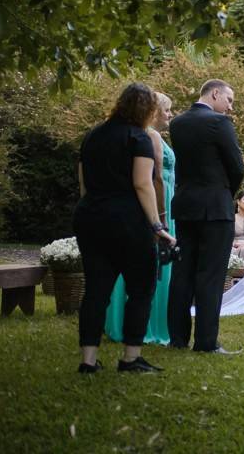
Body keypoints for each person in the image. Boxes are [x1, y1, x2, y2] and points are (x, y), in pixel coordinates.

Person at [73, 83, 175, 374]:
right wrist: (157, 225)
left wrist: (94, 210)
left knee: (95, 290)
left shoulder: (92, 136)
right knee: (141, 289)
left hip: (90, 217)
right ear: (146, 110)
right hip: (128, 222)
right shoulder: (138, 138)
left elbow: (84, 184)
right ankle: (131, 357)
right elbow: (142, 183)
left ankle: (88, 360)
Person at [167, 79, 244, 354]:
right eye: (229, 100)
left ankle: (177, 338)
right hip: (215, 206)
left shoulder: (176, 123)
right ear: (215, 94)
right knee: (210, 275)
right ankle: (205, 342)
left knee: (183, 271)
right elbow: (237, 167)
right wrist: (225, 193)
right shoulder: (218, 123)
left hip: (186, 205)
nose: (230, 108)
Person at [104, 92, 176, 344]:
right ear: (154, 111)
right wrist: (162, 216)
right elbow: (155, 178)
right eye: (167, 110)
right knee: (154, 264)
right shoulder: (152, 136)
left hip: (161, 200)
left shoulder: (146, 135)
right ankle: (150, 326)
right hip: (160, 203)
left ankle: (124, 321)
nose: (170, 115)